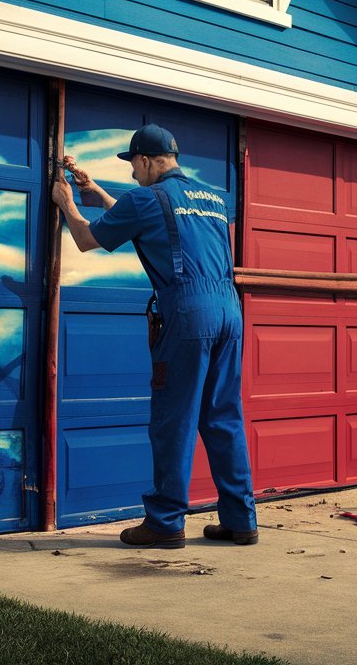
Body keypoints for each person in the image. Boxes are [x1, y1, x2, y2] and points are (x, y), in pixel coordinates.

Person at [52, 123, 258, 548]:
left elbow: (89, 238)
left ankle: (164, 523)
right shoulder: (212, 199)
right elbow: (155, 222)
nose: (132, 174)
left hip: (188, 313)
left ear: (146, 160)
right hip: (228, 310)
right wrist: (98, 196)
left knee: (174, 421)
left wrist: (69, 204)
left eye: (133, 166)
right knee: (223, 418)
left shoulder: (146, 198)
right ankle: (241, 520)